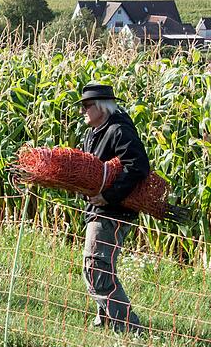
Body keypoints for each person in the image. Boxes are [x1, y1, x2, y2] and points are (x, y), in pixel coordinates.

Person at [78, 82, 148, 334]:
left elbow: (138, 167)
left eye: (86, 106)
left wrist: (109, 196)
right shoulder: (93, 133)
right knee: (100, 266)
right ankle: (106, 319)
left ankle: (129, 327)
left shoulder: (119, 131)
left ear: (100, 107)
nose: (82, 111)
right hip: (99, 210)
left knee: (95, 268)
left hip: (114, 211)